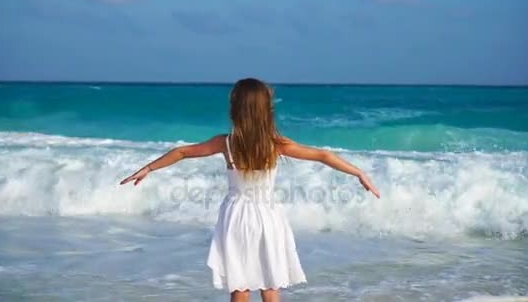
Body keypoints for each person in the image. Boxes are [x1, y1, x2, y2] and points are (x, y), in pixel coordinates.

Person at [120, 78, 380, 302]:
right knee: (270, 283)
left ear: (236, 109)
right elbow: (322, 155)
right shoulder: (276, 144)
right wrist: (359, 172)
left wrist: (149, 168)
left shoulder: (227, 143)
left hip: (236, 217)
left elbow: (182, 152)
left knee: (240, 285)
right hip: (268, 215)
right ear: (265, 110)